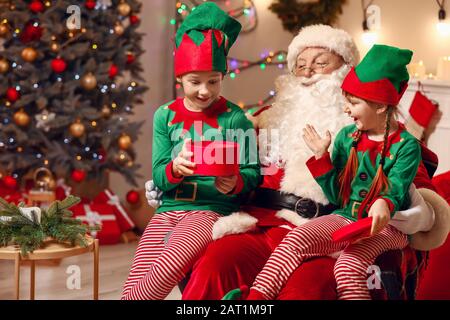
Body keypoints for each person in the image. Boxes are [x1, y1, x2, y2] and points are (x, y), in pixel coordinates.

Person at [146, 25, 448, 300]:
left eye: (320, 63)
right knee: (216, 266)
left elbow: (418, 191)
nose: (308, 73)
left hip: (330, 232)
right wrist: (177, 184)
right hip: (262, 224)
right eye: (300, 66)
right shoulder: (264, 121)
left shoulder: (381, 136)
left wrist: (417, 213)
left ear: (346, 70)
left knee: (306, 291)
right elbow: (233, 172)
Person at [245, 44, 420, 300]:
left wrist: (384, 202)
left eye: (354, 103)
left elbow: (396, 186)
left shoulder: (406, 146)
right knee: (295, 240)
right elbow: (338, 196)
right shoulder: (346, 137)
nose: (347, 109)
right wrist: (321, 159)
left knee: (349, 265)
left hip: (387, 227)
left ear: (381, 106)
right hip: (346, 217)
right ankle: (255, 301)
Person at [121, 2, 260, 300]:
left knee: (166, 266)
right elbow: (159, 174)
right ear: (180, 79)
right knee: (140, 270)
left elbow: (252, 172)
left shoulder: (235, 118)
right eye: (195, 82)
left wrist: (235, 182)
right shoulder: (165, 116)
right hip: (169, 209)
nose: (205, 91)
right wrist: (175, 168)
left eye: (214, 81)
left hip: (210, 210)